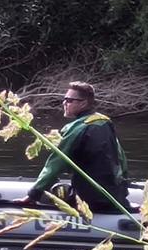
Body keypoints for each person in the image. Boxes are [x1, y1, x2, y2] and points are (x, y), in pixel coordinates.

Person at [16, 81, 129, 212]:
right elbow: (121, 160)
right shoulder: (104, 122)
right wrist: (123, 193)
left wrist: (33, 195)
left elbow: (55, 164)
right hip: (114, 198)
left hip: (88, 201)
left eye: (69, 100)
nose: (64, 103)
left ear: (83, 103)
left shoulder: (77, 128)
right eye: (64, 99)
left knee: (53, 193)